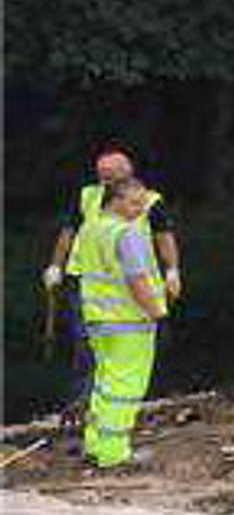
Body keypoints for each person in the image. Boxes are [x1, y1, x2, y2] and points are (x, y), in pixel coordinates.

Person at [40, 149, 179, 412]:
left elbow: (164, 235)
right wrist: (55, 265)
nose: (106, 183)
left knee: (132, 353)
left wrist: (172, 269)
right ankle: (84, 405)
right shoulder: (88, 197)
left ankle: (124, 405)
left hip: (132, 287)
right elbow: (69, 230)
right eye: (102, 177)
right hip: (88, 283)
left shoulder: (148, 201)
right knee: (87, 347)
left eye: (111, 177)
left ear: (127, 174)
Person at [67, 175, 169, 471]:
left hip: (99, 320)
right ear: (117, 200)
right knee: (125, 388)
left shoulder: (91, 229)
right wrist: (156, 312)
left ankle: (95, 444)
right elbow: (137, 279)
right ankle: (114, 453)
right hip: (130, 322)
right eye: (135, 202)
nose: (140, 209)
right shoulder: (127, 233)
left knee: (104, 384)